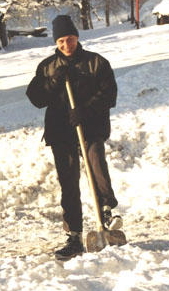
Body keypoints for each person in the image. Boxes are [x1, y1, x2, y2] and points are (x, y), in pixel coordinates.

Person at [26, 15, 120, 260]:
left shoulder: (96, 63)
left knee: (96, 166)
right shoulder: (48, 67)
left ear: (77, 37)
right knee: (68, 182)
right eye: (60, 41)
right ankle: (74, 234)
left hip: (90, 128)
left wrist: (86, 110)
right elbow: (36, 98)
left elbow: (109, 95)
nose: (66, 45)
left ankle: (106, 211)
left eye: (69, 39)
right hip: (61, 130)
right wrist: (54, 81)